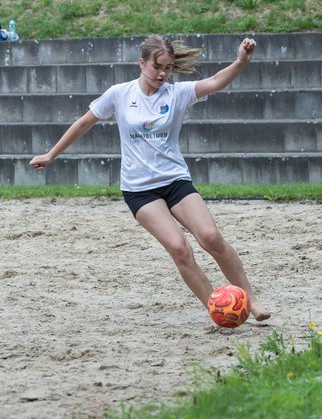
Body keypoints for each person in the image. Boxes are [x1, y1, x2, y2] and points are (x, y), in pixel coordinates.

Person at [30, 36, 271, 323]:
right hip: (139, 190)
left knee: (211, 238)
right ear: (141, 63)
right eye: (157, 67)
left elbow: (217, 81)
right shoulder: (120, 94)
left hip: (175, 181)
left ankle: (251, 300)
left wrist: (241, 61)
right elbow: (84, 122)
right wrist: (51, 154)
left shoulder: (176, 93)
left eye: (168, 68)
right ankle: (219, 309)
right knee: (180, 249)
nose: (162, 74)